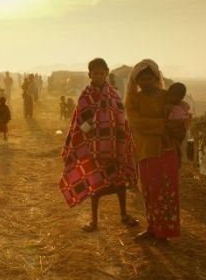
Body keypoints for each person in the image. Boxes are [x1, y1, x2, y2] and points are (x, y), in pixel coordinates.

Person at [60, 58, 139, 232]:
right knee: (95, 186)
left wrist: (121, 140)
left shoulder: (114, 94)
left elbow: (120, 118)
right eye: (94, 73)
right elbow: (80, 121)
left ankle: (124, 215)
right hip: (94, 149)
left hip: (114, 147)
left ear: (106, 73)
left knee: (119, 184)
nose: (98, 76)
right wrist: (93, 130)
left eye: (101, 73)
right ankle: (94, 221)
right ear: (90, 74)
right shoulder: (85, 96)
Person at [126, 59, 186, 240]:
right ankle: (153, 227)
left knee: (167, 191)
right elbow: (137, 124)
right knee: (150, 191)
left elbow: (180, 119)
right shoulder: (133, 100)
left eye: (149, 77)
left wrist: (169, 126)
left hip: (167, 150)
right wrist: (163, 124)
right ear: (136, 81)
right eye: (142, 78)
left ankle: (165, 231)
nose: (146, 81)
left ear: (156, 77)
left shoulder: (167, 96)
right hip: (146, 151)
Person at [164, 82, 192, 165]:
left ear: (181, 98)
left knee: (176, 143)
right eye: (170, 96)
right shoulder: (168, 106)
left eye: (174, 96)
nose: (171, 98)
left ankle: (174, 154)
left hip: (179, 128)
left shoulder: (183, 105)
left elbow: (186, 116)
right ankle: (174, 154)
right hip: (172, 127)